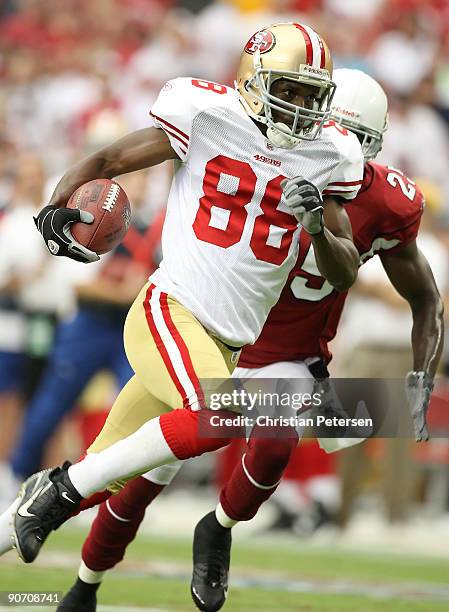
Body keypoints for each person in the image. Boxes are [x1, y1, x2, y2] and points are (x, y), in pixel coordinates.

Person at [51, 69, 443, 612]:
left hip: (291, 357)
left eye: (351, 140)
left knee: (300, 430)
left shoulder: (382, 203)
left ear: (369, 149)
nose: (333, 146)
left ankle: (219, 527)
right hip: (214, 338)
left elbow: (414, 294)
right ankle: (84, 583)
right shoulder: (259, 161)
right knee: (139, 478)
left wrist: (419, 382)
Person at [11, 22, 364, 571]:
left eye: (310, 94)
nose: (299, 105)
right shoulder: (206, 112)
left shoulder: (329, 155)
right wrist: (54, 209)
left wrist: (316, 225)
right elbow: (107, 162)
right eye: (289, 89)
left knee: (105, 473)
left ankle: (43, 501)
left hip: (227, 345)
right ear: (254, 79)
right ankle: (56, 491)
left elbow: (343, 272)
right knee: (216, 415)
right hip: (171, 311)